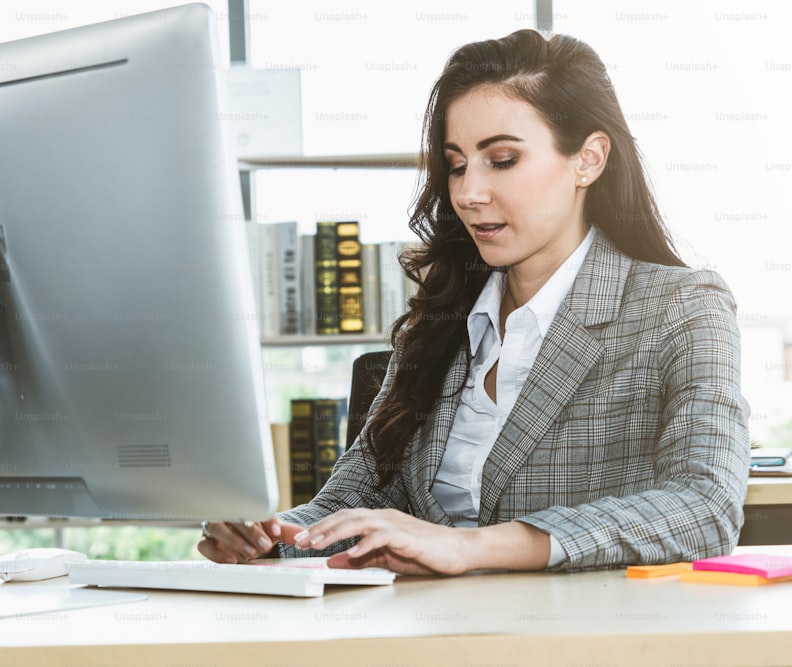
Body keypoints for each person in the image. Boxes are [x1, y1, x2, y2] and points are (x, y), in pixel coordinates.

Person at [198, 29, 750, 574]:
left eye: (502, 160)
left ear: (588, 159)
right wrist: (268, 537)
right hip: (422, 638)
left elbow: (704, 505)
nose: (467, 192)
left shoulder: (680, 308)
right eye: (458, 164)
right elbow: (343, 504)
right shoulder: (441, 320)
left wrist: (469, 547)